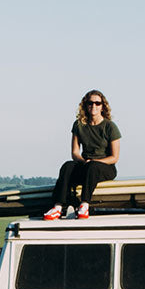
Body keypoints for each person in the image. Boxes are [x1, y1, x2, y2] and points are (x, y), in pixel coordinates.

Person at [43, 90, 121, 220]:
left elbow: (114, 157)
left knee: (93, 167)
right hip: (86, 164)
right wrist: (84, 161)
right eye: (90, 103)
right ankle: (58, 206)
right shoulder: (79, 125)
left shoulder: (110, 127)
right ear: (85, 105)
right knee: (67, 166)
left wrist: (94, 162)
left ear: (103, 106)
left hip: (105, 167)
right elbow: (75, 152)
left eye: (97, 103)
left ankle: (84, 205)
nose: (94, 106)